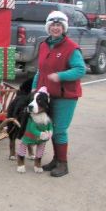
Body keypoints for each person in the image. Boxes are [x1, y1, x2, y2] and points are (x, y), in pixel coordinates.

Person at [32, 10, 86, 177]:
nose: (56, 28)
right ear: (48, 27)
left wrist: (60, 76)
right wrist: (34, 88)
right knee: (51, 128)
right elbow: (40, 70)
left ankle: (63, 164)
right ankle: (56, 159)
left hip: (65, 96)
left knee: (59, 129)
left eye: (59, 25)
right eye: (53, 25)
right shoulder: (43, 45)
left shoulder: (71, 48)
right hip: (48, 94)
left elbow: (80, 69)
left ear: (64, 28)